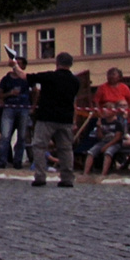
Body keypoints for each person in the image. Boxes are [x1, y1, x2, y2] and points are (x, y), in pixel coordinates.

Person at [28, 52, 80, 187]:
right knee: (66, 149)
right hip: (66, 119)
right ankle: (67, 178)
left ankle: (40, 176)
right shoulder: (75, 81)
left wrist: (14, 65)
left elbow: (25, 77)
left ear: (57, 63)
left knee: (39, 146)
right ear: (71, 64)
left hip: (46, 117)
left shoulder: (49, 77)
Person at [0, 57, 32, 169]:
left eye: (20, 64)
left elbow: (35, 91)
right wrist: (10, 93)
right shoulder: (6, 79)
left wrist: (32, 106)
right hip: (9, 108)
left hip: (23, 108)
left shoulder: (27, 79)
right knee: (5, 136)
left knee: (21, 136)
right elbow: (0, 95)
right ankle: (2, 161)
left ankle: (18, 161)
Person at [84, 103, 129, 179]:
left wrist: (107, 146)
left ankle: (103, 173)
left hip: (114, 143)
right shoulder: (103, 122)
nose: (105, 112)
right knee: (91, 152)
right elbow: (100, 137)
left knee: (108, 153)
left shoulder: (117, 123)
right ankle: (85, 173)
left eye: (107, 110)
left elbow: (117, 138)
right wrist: (99, 127)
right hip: (103, 141)